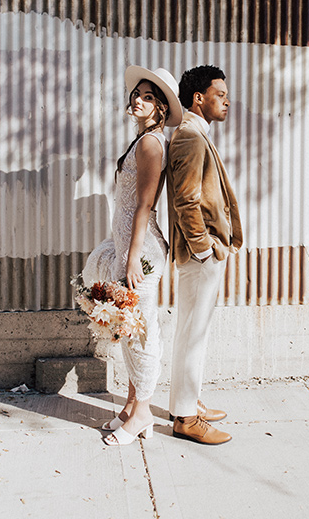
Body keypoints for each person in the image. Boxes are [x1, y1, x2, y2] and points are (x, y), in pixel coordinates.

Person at [82, 66, 182, 446]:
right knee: (127, 327)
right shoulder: (142, 141)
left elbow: (145, 205)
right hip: (128, 246)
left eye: (147, 97)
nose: (137, 100)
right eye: (136, 94)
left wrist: (131, 258)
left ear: (159, 109)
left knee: (141, 331)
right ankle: (130, 406)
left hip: (141, 252)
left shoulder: (151, 144)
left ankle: (143, 413)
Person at [167, 65, 243, 445]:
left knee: (191, 332)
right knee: (193, 333)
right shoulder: (191, 138)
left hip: (202, 254)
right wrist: (203, 249)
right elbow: (185, 200)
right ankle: (184, 418)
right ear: (199, 98)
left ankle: (188, 403)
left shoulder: (194, 134)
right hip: (201, 255)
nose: (227, 100)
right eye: (220, 94)